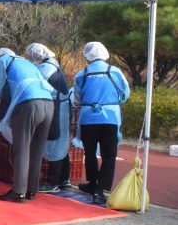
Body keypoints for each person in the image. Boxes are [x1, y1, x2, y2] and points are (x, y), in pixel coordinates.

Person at [0, 48, 54, 203]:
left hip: (29, 105)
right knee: (36, 149)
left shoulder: (0, 62)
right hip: (48, 104)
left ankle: (18, 192)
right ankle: (31, 190)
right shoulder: (26, 62)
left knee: (22, 148)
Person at [73, 41, 130, 204]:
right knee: (109, 155)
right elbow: (125, 94)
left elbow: (77, 96)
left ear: (87, 55)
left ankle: (92, 183)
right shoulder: (115, 71)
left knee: (90, 153)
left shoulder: (81, 74)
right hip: (110, 118)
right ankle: (100, 190)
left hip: (88, 118)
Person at [25, 43, 73, 193]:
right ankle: (64, 179)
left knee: (54, 142)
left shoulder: (46, 68)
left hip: (57, 108)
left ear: (37, 56)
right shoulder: (51, 65)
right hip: (59, 106)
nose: (30, 59)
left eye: (31, 56)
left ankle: (53, 182)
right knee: (60, 143)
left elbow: (33, 85)